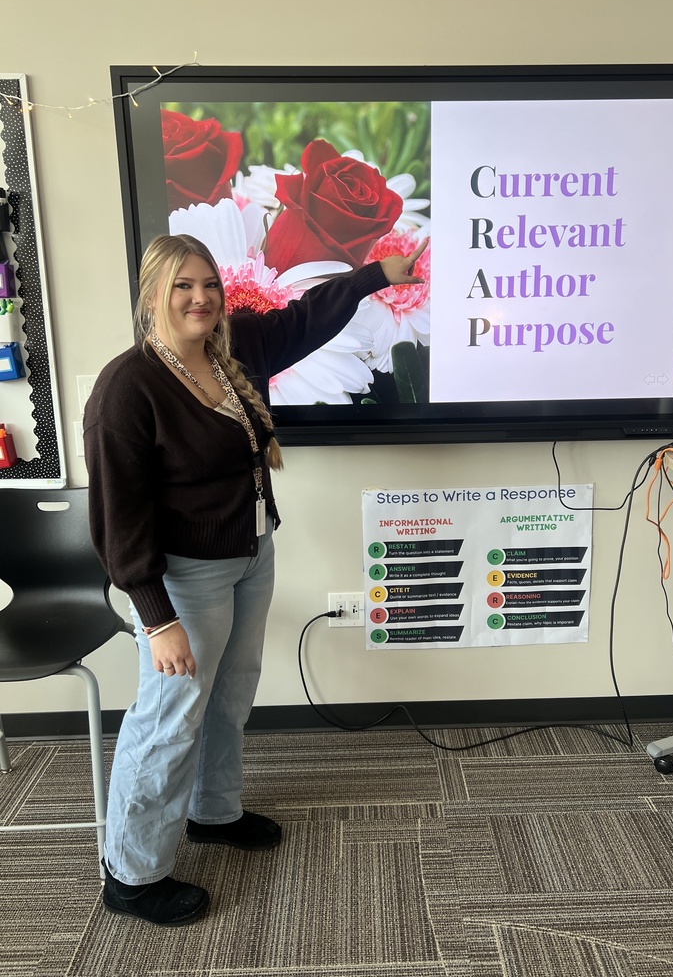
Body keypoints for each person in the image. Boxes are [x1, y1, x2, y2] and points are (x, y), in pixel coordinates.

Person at [84, 232, 427, 926]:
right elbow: (118, 517)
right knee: (168, 717)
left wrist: (375, 275)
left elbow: (308, 317)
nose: (200, 297)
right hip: (183, 579)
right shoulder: (128, 387)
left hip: (251, 552)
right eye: (182, 285)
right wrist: (156, 616)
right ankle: (132, 873)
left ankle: (213, 812)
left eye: (208, 284)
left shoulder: (232, 354)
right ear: (152, 294)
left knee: (230, 695)